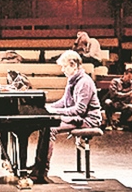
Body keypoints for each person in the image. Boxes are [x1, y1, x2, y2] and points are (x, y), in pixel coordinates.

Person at [29, 50, 102, 183]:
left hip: (88, 119)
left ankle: (43, 170)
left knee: (51, 128)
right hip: (79, 117)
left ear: (74, 65)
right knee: (45, 125)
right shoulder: (72, 80)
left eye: (64, 66)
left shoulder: (84, 82)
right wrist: (48, 108)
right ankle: (38, 165)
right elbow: (64, 102)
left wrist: (56, 113)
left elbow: (79, 110)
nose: (62, 70)